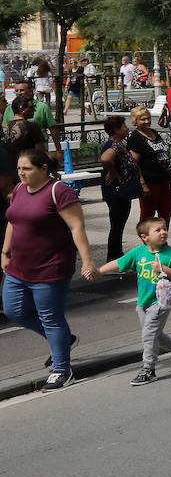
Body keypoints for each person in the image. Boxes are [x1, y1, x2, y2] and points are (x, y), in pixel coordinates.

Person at [2, 149, 98, 391]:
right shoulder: (19, 189)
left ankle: (62, 369)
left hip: (50, 267)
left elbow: (77, 227)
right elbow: (13, 222)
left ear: (43, 169)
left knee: (51, 318)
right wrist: (5, 252)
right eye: (19, 169)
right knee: (15, 311)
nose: (21, 173)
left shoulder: (59, 192)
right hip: (18, 267)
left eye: (27, 169)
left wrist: (87, 261)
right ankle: (64, 341)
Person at [93, 217, 171, 385]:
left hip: (160, 302)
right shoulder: (138, 253)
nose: (163, 232)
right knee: (155, 334)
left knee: (148, 334)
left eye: (165, 228)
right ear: (145, 237)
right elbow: (119, 263)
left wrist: (164, 269)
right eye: (158, 230)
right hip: (142, 303)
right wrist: (99, 271)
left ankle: (148, 369)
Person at [98, 116, 144, 264]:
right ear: (116, 129)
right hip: (116, 192)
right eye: (124, 126)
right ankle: (114, 257)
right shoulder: (113, 145)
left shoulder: (118, 144)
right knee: (117, 224)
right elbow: (106, 159)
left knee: (118, 224)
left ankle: (116, 254)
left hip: (120, 192)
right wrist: (112, 172)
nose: (127, 128)